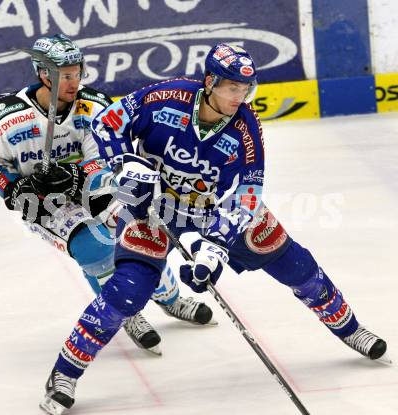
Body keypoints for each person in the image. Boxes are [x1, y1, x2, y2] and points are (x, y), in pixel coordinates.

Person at [38, 42, 388, 414]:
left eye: (246, 89)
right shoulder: (165, 97)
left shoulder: (246, 127)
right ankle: (64, 375)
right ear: (210, 82)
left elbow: (248, 196)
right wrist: (125, 165)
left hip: (215, 212)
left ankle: (351, 330)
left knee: (298, 266)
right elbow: (106, 123)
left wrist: (214, 248)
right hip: (153, 209)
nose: (241, 97)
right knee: (126, 294)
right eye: (233, 88)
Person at [0, 31, 216, 387]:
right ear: (44, 74)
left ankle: (168, 297)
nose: (75, 82)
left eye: (78, 73)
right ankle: (127, 309)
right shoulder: (6, 116)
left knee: (137, 236)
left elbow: (104, 161)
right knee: (94, 248)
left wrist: (72, 174)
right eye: (66, 75)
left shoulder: (95, 105)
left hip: (91, 188)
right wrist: (14, 189)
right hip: (44, 203)